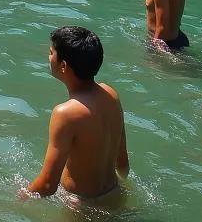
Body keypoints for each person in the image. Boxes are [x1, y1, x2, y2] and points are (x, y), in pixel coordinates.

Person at [25, 27, 128, 201]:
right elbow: (123, 165)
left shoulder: (66, 113)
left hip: (82, 208)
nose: (49, 57)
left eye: (51, 53)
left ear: (63, 66)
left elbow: (48, 186)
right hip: (116, 196)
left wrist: (18, 199)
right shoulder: (111, 94)